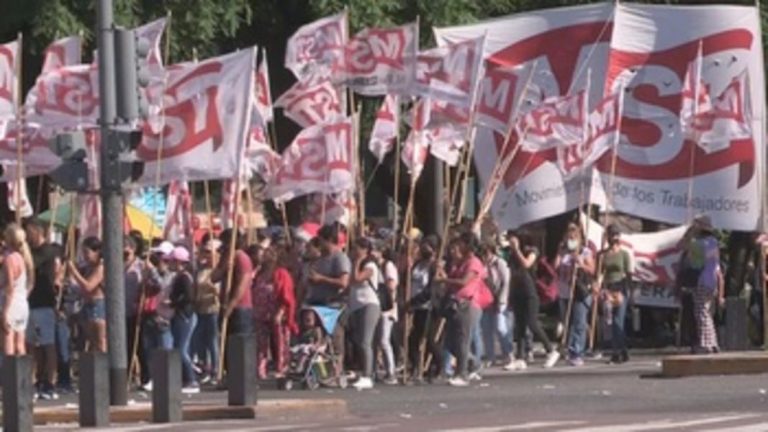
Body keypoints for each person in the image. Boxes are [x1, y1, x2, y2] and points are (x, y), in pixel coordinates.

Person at [435, 233, 492, 387]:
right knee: (451, 342)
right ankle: (473, 362)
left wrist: (443, 279)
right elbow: (450, 283)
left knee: (462, 340)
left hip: (468, 304)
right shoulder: (460, 263)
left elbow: (463, 282)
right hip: (455, 304)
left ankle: (462, 373)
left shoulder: (474, 262)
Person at [507, 231, 560, 370]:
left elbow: (526, 264)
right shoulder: (511, 254)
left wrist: (517, 249)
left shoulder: (532, 251)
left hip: (530, 292)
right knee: (519, 327)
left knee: (532, 323)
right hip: (517, 292)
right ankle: (520, 357)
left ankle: (551, 350)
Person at [305, 224, 351, 375]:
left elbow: (343, 283)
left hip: (333, 305)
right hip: (316, 304)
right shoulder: (320, 259)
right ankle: (319, 372)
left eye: (322, 240)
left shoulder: (339, 258)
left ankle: (335, 372)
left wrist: (321, 279)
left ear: (329, 240)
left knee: (335, 340)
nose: (320, 244)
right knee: (316, 339)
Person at [25, 218, 62, 400]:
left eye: (29, 232)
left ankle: (51, 382)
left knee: (48, 344)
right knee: (32, 344)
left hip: (45, 303)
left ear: (37, 231)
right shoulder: (30, 251)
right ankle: (35, 379)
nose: (27, 236)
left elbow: (32, 263)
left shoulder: (48, 251)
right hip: (30, 302)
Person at [252, 246, 297, 380]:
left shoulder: (281, 273)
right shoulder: (259, 273)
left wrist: (280, 312)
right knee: (261, 344)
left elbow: (286, 294)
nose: (265, 256)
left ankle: (282, 367)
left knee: (280, 341)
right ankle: (260, 369)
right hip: (261, 312)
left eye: (269, 254)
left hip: (277, 313)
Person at [556, 223, 595, 367]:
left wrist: (581, 264)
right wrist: (560, 253)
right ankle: (570, 347)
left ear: (579, 238)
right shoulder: (564, 252)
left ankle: (577, 352)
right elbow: (556, 267)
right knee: (569, 323)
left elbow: (592, 270)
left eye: (574, 237)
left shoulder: (585, 252)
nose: (571, 239)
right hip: (565, 292)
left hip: (580, 292)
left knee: (579, 323)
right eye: (569, 237)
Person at [140, 241, 176, 391]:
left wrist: (153, 270)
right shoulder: (152, 274)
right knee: (149, 350)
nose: (159, 260)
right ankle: (152, 378)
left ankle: (167, 379)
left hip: (165, 317)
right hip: (150, 315)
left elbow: (163, 286)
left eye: (161, 257)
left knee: (164, 349)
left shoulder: (172, 275)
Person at [347, 238, 381, 390]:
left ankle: (368, 375)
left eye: (356, 249)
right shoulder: (357, 264)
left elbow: (357, 278)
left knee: (365, 341)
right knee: (358, 340)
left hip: (369, 304)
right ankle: (363, 370)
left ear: (364, 250)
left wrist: (357, 261)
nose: (354, 252)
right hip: (356, 306)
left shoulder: (370, 265)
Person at [598, 224, 632, 364]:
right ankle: (621, 350)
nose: (614, 237)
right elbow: (600, 273)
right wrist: (599, 287)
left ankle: (617, 352)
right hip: (608, 288)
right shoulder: (603, 255)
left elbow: (628, 274)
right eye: (611, 235)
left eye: (616, 234)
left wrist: (629, 292)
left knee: (619, 321)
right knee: (610, 322)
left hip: (621, 288)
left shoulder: (624, 254)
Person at [687, 215, 722, 354]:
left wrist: (690, 232)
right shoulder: (714, 242)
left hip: (701, 279)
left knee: (701, 312)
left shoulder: (697, 244)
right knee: (707, 312)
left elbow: (693, 261)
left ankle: (705, 343)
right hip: (712, 279)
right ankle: (712, 341)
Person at [168, 246, 199, 393]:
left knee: (181, 349)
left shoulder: (185, 277)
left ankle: (191, 379)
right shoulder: (180, 277)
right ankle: (185, 379)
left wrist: (173, 303)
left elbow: (189, 297)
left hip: (185, 315)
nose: (170, 264)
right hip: (181, 314)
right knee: (179, 347)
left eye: (172, 261)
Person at [212, 229, 253, 337]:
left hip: (239, 308)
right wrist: (224, 267)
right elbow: (213, 278)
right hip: (225, 305)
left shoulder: (241, 258)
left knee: (238, 344)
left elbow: (242, 285)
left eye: (225, 242)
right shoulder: (225, 258)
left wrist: (231, 306)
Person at [68, 237, 106, 353]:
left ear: (97, 252)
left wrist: (74, 272)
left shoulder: (100, 268)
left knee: (100, 341)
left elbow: (89, 286)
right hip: (87, 305)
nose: (85, 256)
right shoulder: (88, 267)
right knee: (92, 341)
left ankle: (103, 366)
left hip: (97, 305)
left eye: (87, 252)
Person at [407, 235, 438, 380]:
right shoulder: (417, 264)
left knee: (429, 340)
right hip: (416, 307)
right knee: (413, 339)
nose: (424, 249)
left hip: (428, 307)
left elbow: (430, 291)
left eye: (428, 246)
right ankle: (414, 366)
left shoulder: (434, 267)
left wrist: (415, 301)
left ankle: (436, 365)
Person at [1, 224, 34, 357]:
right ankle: (23, 375)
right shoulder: (22, 257)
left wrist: (4, 312)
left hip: (11, 304)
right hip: (22, 303)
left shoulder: (9, 259)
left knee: (8, 342)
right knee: (20, 344)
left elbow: (9, 287)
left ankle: (9, 377)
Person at [479, 242, 514, 368]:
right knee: (486, 329)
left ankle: (508, 353)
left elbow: (506, 281)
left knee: (500, 327)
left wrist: (502, 300)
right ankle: (490, 356)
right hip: (487, 300)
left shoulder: (500, 263)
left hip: (499, 298)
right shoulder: (483, 265)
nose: (485, 256)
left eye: (487, 253)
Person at [193, 240, 221, 385]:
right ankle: (204, 368)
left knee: (212, 340)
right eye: (204, 252)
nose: (206, 255)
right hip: (200, 309)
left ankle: (216, 370)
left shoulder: (218, 270)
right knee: (199, 340)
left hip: (213, 309)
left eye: (209, 252)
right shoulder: (201, 270)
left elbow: (220, 290)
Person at [375, 245, 399, 385]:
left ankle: (391, 372)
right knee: (378, 340)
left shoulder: (387, 265)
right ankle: (381, 368)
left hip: (387, 307)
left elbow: (391, 285)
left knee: (384, 340)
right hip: (378, 306)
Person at [124, 236, 145, 386]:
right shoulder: (115, 264)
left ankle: (145, 376)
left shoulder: (141, 266)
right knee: (124, 346)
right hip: (120, 311)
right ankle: (126, 376)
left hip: (136, 311)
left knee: (139, 346)